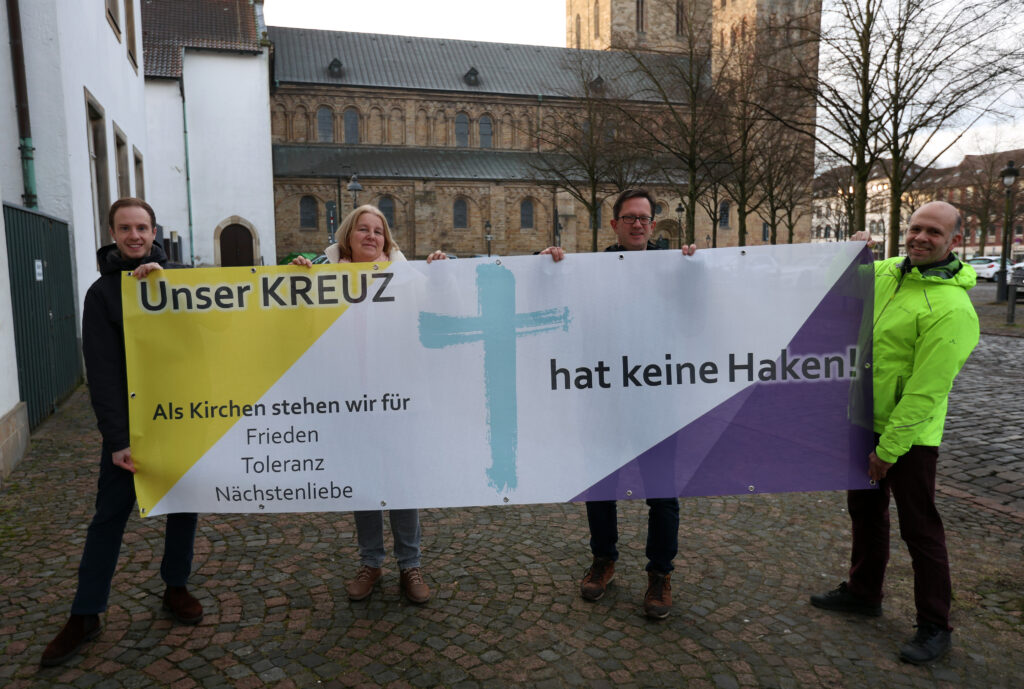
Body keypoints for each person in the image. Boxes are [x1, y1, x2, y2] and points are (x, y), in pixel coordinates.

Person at [810, 200, 979, 665]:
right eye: (916, 228)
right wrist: (846, 253)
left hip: (909, 439)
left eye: (934, 233)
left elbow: (927, 391)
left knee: (920, 528)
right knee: (864, 514)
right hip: (862, 420)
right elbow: (821, 286)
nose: (922, 238)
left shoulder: (954, 309)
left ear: (954, 243)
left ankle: (934, 625)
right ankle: (864, 592)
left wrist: (888, 450)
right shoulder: (885, 273)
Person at [41, 198, 202, 667]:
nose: (135, 235)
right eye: (125, 227)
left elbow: (208, 341)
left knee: (183, 508)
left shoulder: (182, 282)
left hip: (181, 419)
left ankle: (176, 586)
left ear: (155, 231)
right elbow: (104, 373)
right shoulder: (102, 293)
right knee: (108, 519)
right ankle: (85, 612)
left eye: (143, 227)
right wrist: (117, 440)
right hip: (132, 429)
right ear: (113, 232)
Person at [541, 188, 697, 619]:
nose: (638, 224)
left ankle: (660, 573)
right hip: (605, 397)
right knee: (601, 487)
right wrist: (548, 263)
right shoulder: (590, 270)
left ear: (653, 222)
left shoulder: (673, 267)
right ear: (614, 224)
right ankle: (603, 559)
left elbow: (700, 307)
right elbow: (554, 301)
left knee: (663, 495)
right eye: (629, 217)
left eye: (645, 217)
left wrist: (699, 266)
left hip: (658, 399)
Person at [293, 205, 445, 604]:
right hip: (349, 399)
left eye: (379, 230)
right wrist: (296, 279)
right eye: (363, 228)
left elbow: (437, 308)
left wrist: (443, 272)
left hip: (398, 398)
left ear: (386, 239)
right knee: (363, 484)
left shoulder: (406, 278)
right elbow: (298, 324)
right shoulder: (322, 275)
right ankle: (371, 562)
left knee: (401, 483)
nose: (371, 236)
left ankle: (409, 565)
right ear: (348, 235)